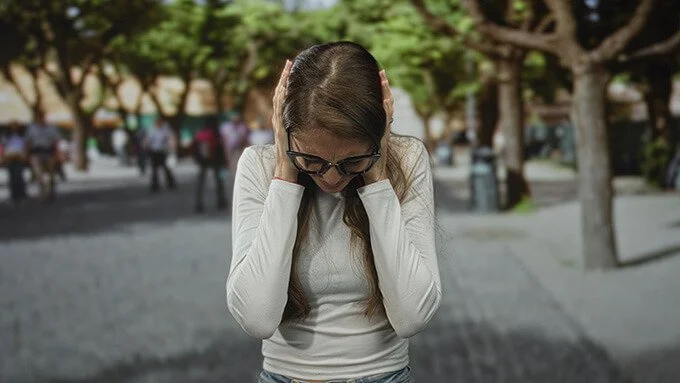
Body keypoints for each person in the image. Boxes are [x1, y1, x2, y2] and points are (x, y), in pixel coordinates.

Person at [227, 42, 441, 383]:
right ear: (285, 130)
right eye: (311, 160)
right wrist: (286, 173)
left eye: (351, 161)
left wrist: (376, 177)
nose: (331, 177)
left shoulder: (407, 160)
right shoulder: (259, 165)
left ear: (378, 135)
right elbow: (257, 317)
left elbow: (413, 315)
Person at [192, 115, 228, 212]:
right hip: (215, 160)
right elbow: (220, 147)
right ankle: (221, 201)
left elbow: (194, 147)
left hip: (203, 161)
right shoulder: (216, 132)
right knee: (218, 181)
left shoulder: (200, 132)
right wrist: (224, 161)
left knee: (201, 183)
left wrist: (197, 160)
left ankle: (198, 203)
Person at [25, 111, 61, 202]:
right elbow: (28, 143)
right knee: (39, 175)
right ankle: (42, 194)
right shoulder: (32, 129)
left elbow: (55, 142)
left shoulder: (51, 128)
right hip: (36, 153)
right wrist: (27, 154)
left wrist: (57, 154)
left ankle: (51, 191)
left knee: (51, 174)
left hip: (48, 152)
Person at [144, 117, 177, 192]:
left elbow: (171, 138)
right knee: (154, 169)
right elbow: (148, 139)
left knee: (165, 168)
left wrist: (172, 146)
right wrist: (145, 145)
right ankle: (155, 185)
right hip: (154, 151)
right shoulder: (152, 130)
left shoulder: (166, 129)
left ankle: (170, 183)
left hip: (162, 151)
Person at [1, 121, 28, 204]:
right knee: (12, 177)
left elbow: (25, 146)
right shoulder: (6, 136)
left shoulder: (21, 136)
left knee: (19, 176)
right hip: (10, 157)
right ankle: (14, 195)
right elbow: (3, 147)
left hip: (19, 157)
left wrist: (24, 155)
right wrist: (3, 157)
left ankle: (21, 194)